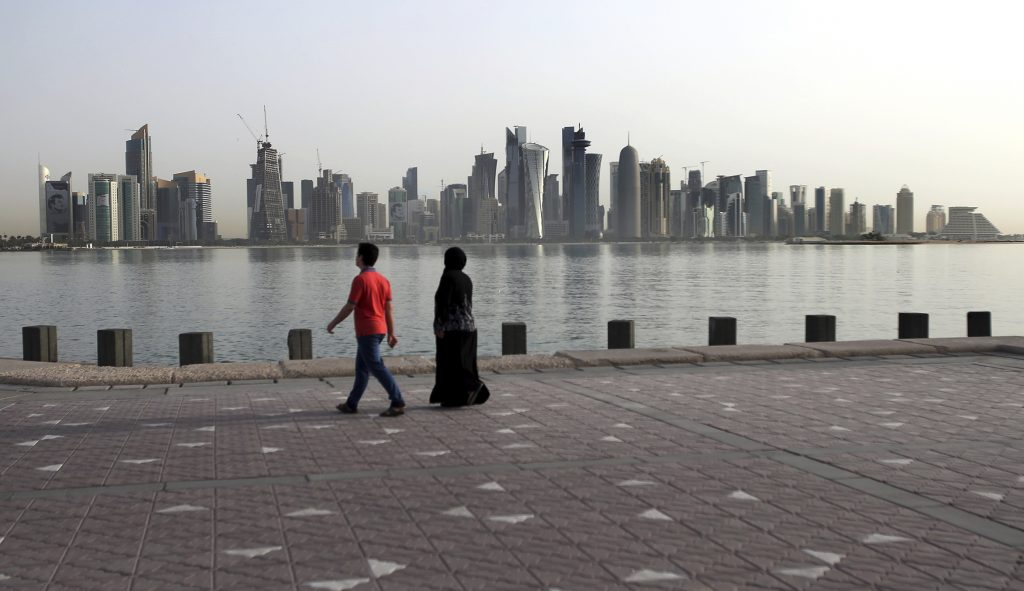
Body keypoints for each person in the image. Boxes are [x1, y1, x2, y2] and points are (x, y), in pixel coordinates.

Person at [327, 242, 406, 417]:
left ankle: (397, 401)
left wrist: (333, 323)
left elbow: (350, 307)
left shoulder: (360, 280)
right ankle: (351, 403)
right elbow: (388, 309)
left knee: (376, 367)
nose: (356, 257)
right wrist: (392, 332)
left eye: (357, 255)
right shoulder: (383, 280)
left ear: (361, 258)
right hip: (379, 330)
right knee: (362, 369)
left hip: (367, 331)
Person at [429, 247, 490, 407]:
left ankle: (470, 388)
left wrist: (438, 326)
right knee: (464, 362)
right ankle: (458, 397)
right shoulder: (466, 278)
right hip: (469, 327)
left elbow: (443, 303)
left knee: (449, 363)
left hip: (452, 328)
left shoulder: (448, 277)